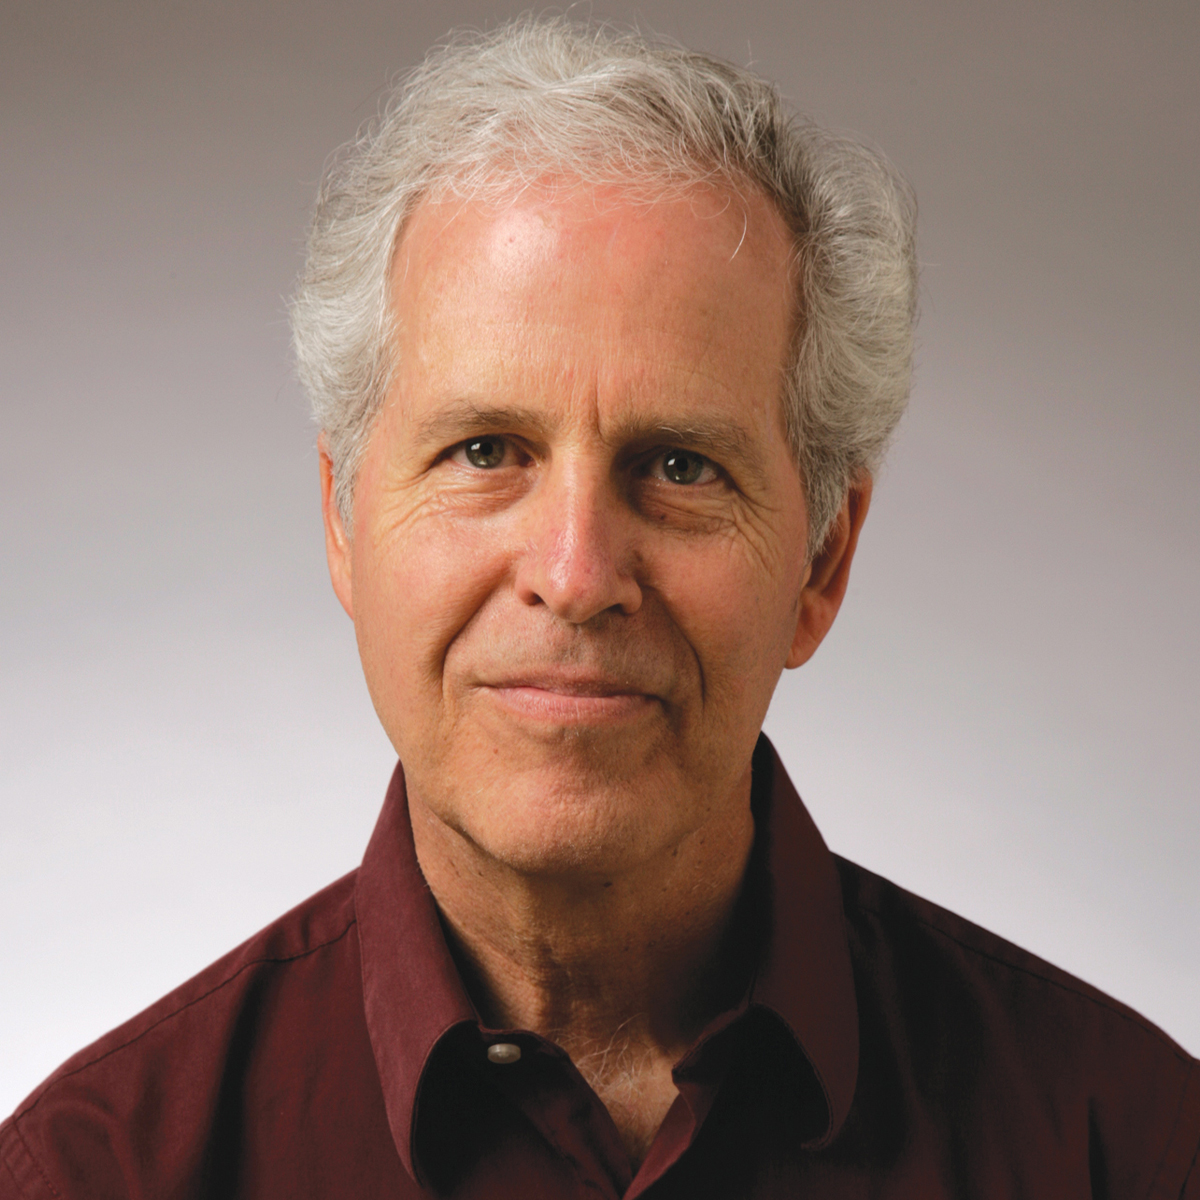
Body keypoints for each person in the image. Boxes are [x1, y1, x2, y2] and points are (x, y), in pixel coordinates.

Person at [2, 17, 1196, 1199]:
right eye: (484, 450)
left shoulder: (1131, 1150)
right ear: (345, 523)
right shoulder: (95, 1174)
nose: (574, 574)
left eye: (679, 466)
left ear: (822, 559)